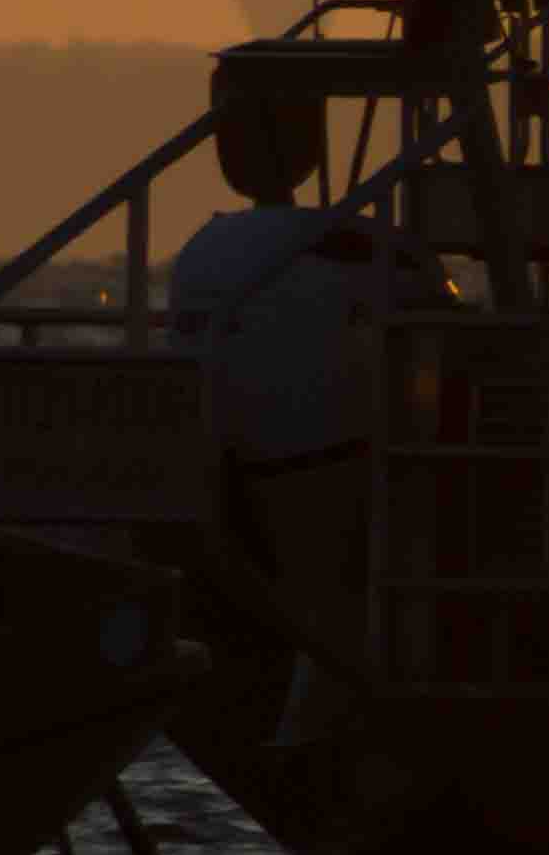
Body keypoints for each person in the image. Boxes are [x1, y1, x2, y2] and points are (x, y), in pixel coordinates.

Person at [160, 91, 395, 643]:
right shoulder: (342, 241)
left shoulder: (207, 245)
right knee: (326, 599)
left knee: (307, 598)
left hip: (227, 457)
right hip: (313, 461)